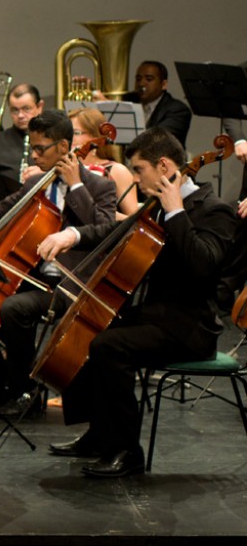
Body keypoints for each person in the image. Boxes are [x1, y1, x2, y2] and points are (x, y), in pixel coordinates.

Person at [37, 127, 235, 477]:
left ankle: (126, 453)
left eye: (140, 170)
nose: (136, 180)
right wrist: (73, 234)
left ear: (163, 166)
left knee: (109, 347)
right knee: (90, 328)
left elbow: (203, 266)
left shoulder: (214, 210)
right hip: (155, 316)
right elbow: (118, 231)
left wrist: (176, 213)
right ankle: (99, 435)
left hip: (189, 327)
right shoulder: (156, 205)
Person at [0, 109, 117, 414]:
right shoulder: (36, 183)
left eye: (40, 149)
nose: (34, 156)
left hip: (70, 284)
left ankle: (25, 389)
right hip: (31, 275)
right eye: (32, 148)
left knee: (14, 308)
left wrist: (76, 186)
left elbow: (103, 230)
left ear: (64, 148)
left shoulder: (99, 186)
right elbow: (1, 208)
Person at [68, 107, 138, 218]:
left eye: (76, 132)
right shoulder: (66, 169)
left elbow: (134, 222)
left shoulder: (118, 171)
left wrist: (103, 212)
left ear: (95, 136)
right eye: (67, 133)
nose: (69, 138)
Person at [0, 83, 44, 184]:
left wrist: (46, 174)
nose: (20, 115)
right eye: (15, 110)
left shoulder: (54, 141)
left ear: (39, 106)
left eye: (26, 108)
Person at [132, 61, 191, 147]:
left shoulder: (179, 110)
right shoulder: (128, 101)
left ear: (164, 84)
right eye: (138, 79)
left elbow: (158, 138)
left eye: (149, 79)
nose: (141, 84)